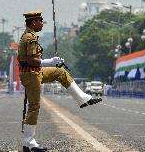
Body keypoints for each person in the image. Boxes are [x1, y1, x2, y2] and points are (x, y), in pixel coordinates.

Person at [18, 10, 102, 152]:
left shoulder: (30, 35)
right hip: (31, 74)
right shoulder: (30, 38)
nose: (42, 24)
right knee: (34, 106)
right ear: (33, 22)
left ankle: (83, 98)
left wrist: (53, 63)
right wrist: (50, 61)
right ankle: (29, 142)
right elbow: (31, 60)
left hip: (35, 72)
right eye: (40, 21)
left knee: (60, 72)